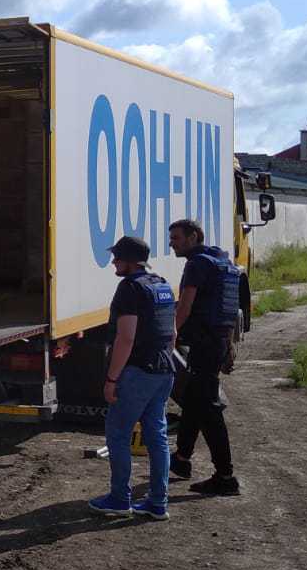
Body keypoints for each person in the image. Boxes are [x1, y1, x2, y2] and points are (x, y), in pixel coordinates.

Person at [89, 235, 177, 520]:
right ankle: (157, 502)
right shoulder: (161, 284)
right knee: (157, 436)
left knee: (118, 434)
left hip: (137, 372)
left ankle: (119, 499)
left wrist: (112, 379)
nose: (113, 261)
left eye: (117, 258)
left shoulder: (129, 288)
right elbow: (172, 334)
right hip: (164, 371)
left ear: (129, 261)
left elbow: (125, 338)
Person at [168, 218, 241, 496]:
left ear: (193, 236)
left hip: (204, 344)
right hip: (217, 342)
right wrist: (229, 344)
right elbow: (229, 309)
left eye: (176, 238)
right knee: (195, 401)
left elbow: (185, 307)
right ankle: (182, 460)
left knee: (208, 408)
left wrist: (169, 337)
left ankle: (225, 477)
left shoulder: (196, 264)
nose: (171, 243)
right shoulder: (223, 263)